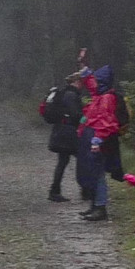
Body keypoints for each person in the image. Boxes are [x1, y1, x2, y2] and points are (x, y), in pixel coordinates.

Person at [76, 68, 122, 222]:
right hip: (92, 138)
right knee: (92, 173)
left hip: (99, 141)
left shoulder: (107, 98)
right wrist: (85, 72)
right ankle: (95, 205)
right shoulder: (100, 96)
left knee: (98, 175)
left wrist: (97, 140)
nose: (94, 82)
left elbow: (106, 122)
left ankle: (100, 207)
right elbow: (92, 86)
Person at [42, 72, 86, 202]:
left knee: (63, 161)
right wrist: (87, 120)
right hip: (69, 132)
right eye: (81, 82)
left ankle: (54, 191)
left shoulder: (64, 93)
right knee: (82, 159)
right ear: (76, 82)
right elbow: (75, 114)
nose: (82, 85)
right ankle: (86, 190)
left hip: (61, 131)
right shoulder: (71, 95)